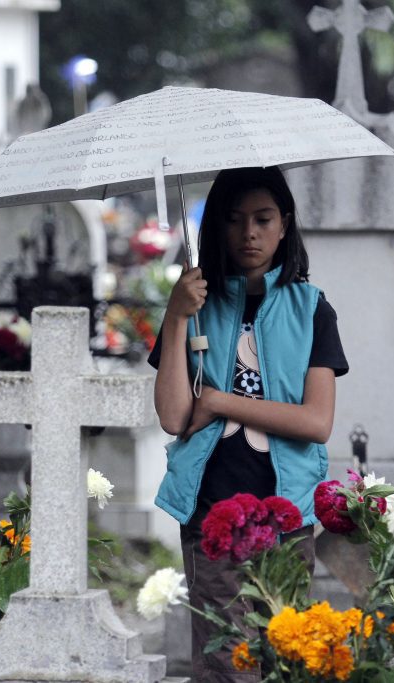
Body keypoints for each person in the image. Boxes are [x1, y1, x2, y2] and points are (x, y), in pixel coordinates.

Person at [148, 166, 348, 682]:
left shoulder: (311, 309)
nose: (249, 233)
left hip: (287, 514)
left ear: (285, 224)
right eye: (234, 220)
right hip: (210, 513)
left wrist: (219, 401)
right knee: (224, 662)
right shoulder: (195, 305)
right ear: (217, 225)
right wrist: (176, 316)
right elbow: (173, 416)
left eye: (263, 219)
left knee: (287, 658)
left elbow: (316, 421)